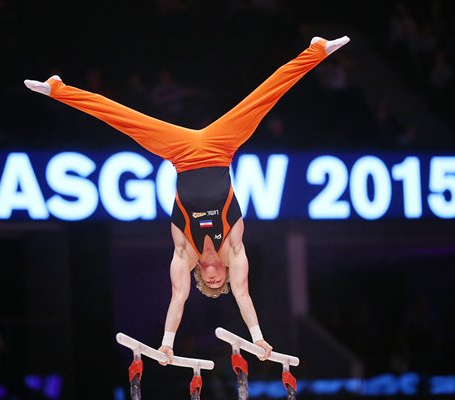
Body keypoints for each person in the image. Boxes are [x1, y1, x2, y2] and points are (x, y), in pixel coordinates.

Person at [24, 35, 350, 364]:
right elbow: (243, 294)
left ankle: (57, 89)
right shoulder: (234, 250)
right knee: (265, 96)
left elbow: (177, 297)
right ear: (223, 273)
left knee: (122, 119)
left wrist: (167, 345)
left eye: (207, 283)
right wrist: (259, 338)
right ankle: (318, 49)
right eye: (217, 281)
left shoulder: (184, 253)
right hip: (222, 148)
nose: (212, 279)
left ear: (200, 277)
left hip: (181, 154)